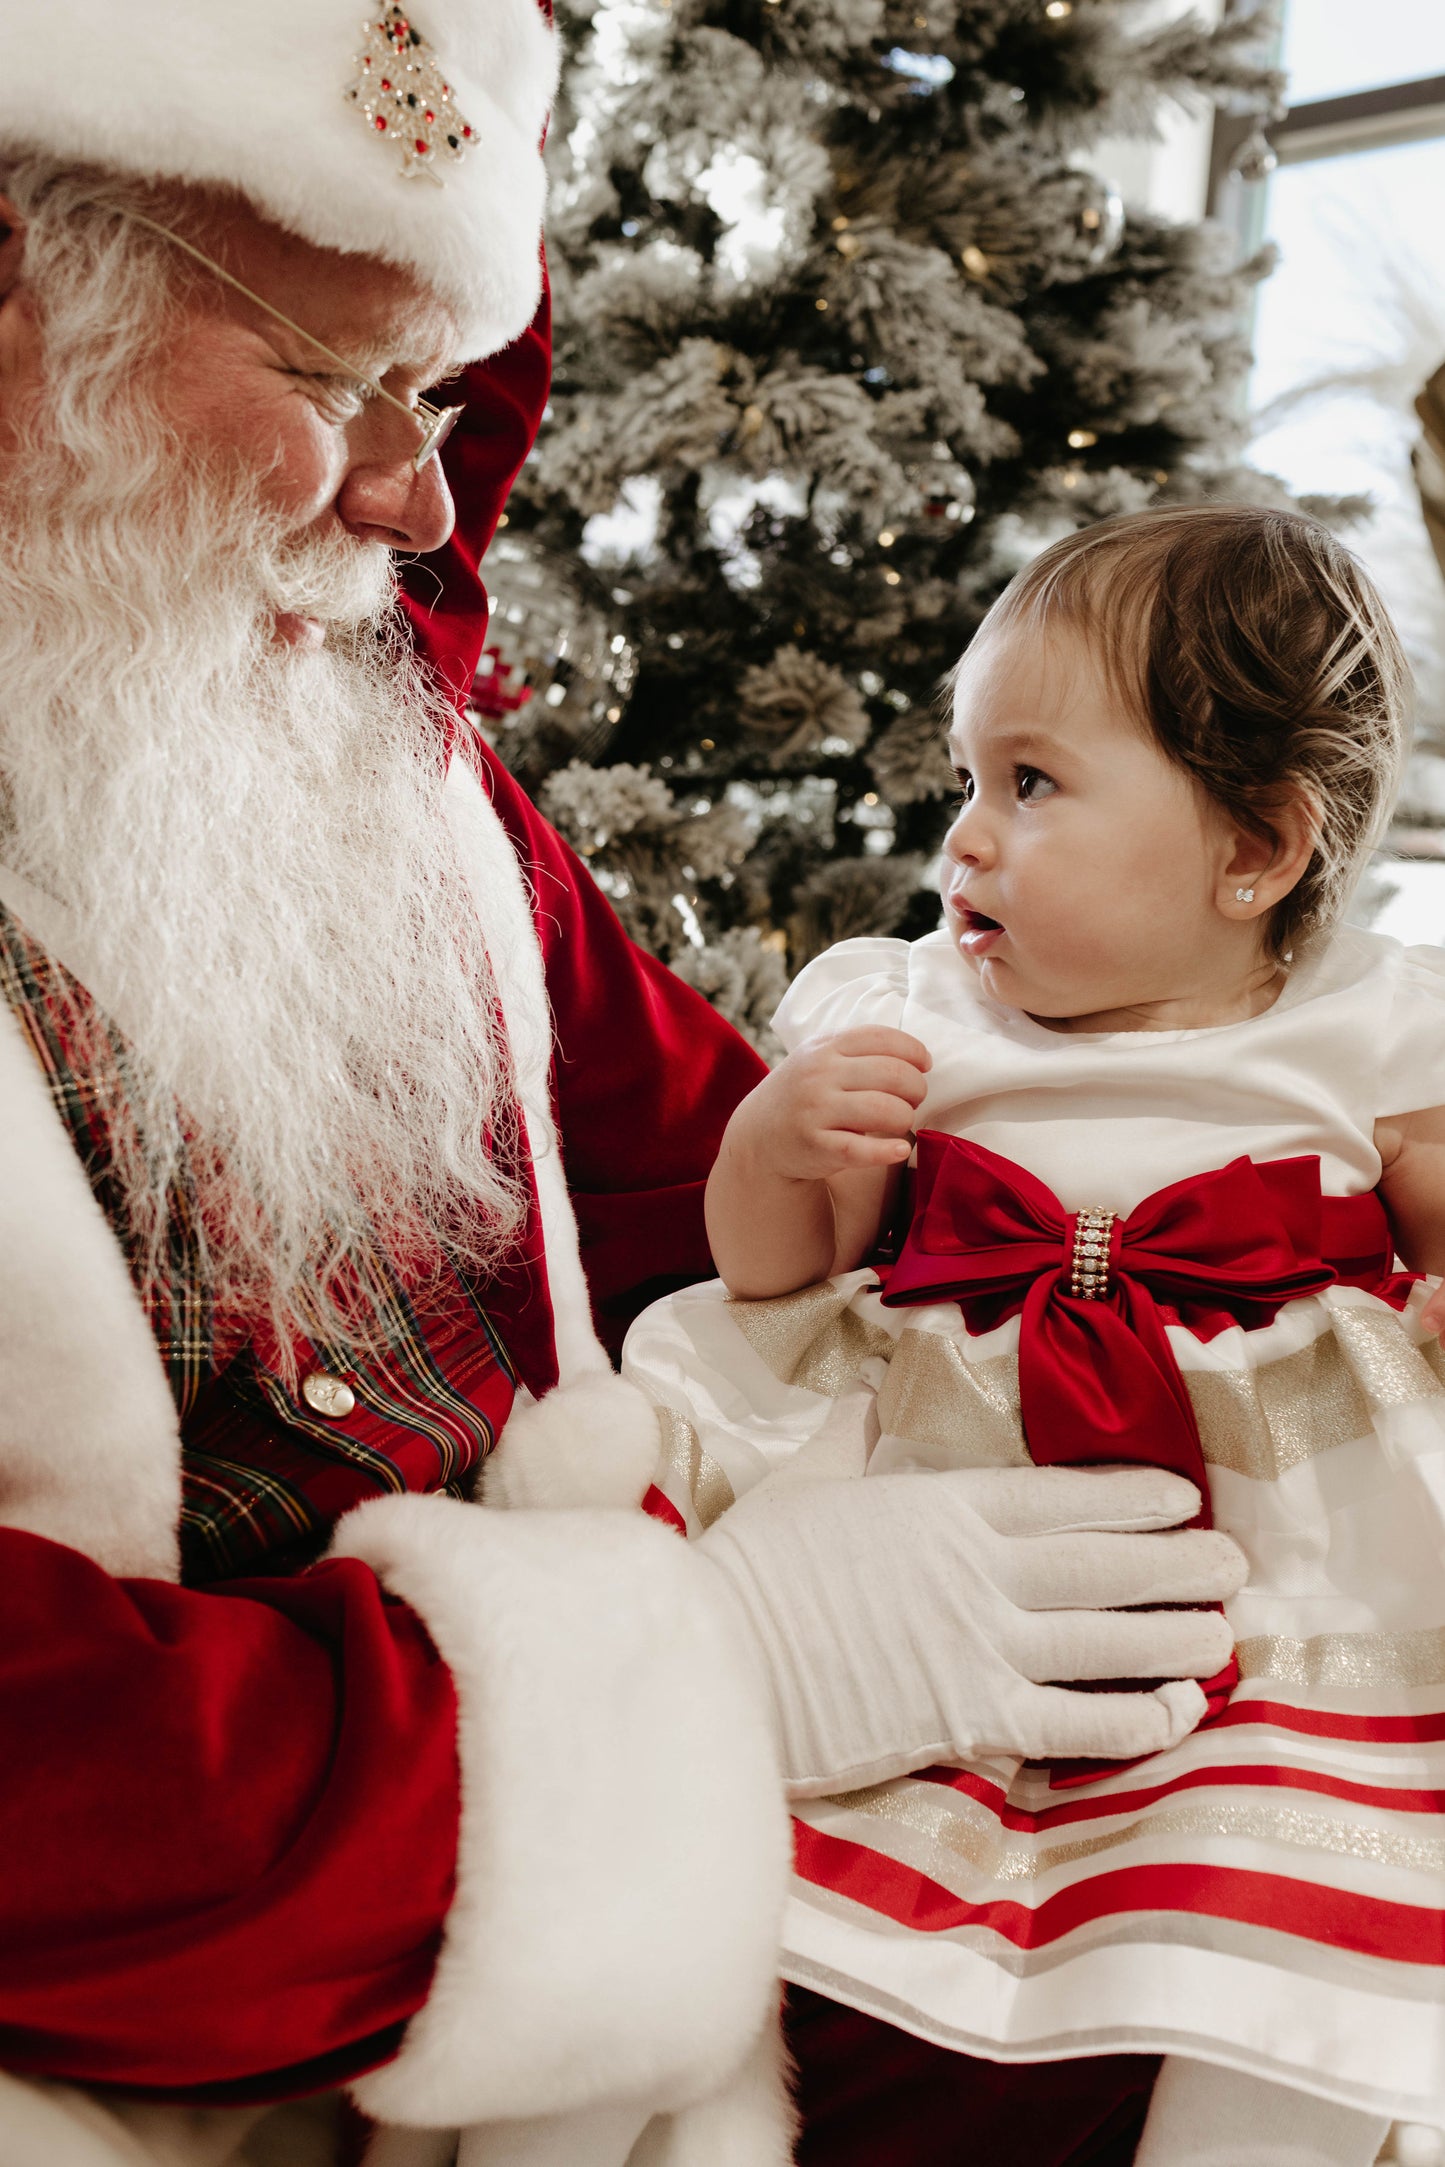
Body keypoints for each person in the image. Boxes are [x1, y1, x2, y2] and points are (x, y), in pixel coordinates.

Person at [0, 5, 1250, 2164]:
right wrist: (723, 1667)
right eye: (324, 383)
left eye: (440, 393)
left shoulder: (355, 773)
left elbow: (753, 1175)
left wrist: (1265, 1246)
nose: (410, 494)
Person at [625, 504, 1445, 2163]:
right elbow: (774, 1276)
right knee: (810, 1847)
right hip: (932, 1495)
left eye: (1032, 783)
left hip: (1278, 1546)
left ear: (1254, 853)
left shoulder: (1368, 1017)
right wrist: (780, 1145)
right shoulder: (904, 1003)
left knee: (1281, 1894)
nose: (965, 843)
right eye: (964, 781)